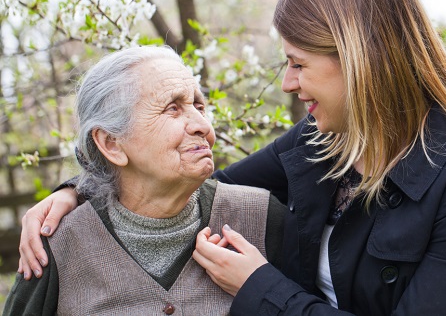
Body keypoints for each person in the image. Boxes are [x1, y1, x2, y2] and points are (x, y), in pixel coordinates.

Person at [14, 0, 446, 315]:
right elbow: (191, 182)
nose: (288, 83)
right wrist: (78, 189)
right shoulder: (322, 142)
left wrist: (259, 286)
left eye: (298, 63)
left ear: (359, 61)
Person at [3, 46, 284, 315]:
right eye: (172, 108)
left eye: (199, 106)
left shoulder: (263, 217)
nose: (202, 125)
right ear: (112, 143)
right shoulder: (58, 243)